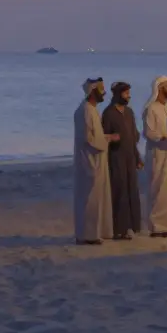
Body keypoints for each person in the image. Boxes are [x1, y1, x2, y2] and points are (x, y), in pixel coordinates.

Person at [74, 77, 117, 245]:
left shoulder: (92, 110)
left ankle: (94, 233)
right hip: (89, 161)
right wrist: (106, 141)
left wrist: (106, 138)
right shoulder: (85, 111)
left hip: (96, 159)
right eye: (101, 90)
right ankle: (87, 235)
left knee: (96, 198)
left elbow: (95, 136)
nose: (104, 93)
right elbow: (89, 138)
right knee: (89, 198)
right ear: (93, 91)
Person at [102, 82, 142, 239]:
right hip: (116, 158)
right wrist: (113, 138)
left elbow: (133, 135)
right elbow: (104, 137)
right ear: (118, 95)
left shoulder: (129, 112)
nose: (128, 96)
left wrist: (137, 157)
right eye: (125, 94)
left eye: (128, 93)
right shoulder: (108, 113)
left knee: (131, 190)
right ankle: (119, 228)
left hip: (130, 157)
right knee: (119, 192)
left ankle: (131, 226)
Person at [142, 76, 167, 238]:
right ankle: (156, 226)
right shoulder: (151, 109)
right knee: (156, 188)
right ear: (160, 89)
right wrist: (162, 137)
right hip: (156, 154)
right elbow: (148, 132)